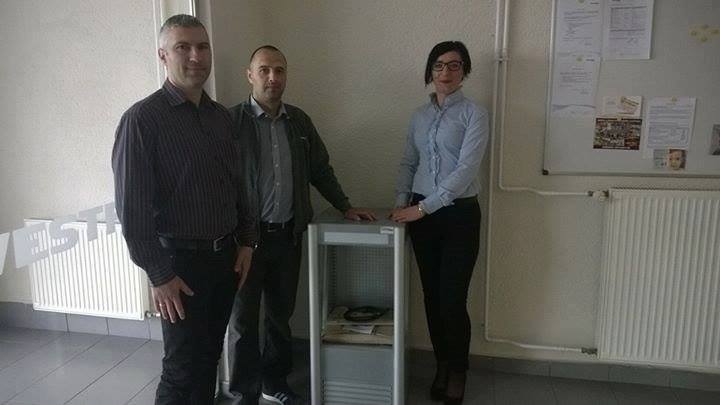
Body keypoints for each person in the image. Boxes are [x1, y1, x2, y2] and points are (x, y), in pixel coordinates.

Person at [112, 14, 256, 404]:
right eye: (183, 47)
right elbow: (133, 212)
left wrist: (247, 241)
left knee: (208, 359)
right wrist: (160, 275)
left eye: (203, 46)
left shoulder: (220, 117)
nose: (196, 56)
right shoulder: (142, 120)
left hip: (225, 260)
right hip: (179, 268)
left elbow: (237, 185)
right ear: (163, 55)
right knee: (180, 370)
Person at [227, 45, 376, 405]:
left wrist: (345, 206)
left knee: (280, 316)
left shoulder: (299, 122)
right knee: (243, 320)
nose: (272, 78)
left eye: (279, 70)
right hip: (245, 242)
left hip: (288, 237)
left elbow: (320, 169)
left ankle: (274, 381)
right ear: (250, 75)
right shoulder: (231, 122)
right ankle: (242, 393)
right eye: (264, 70)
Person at [390, 41, 489, 405]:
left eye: (454, 65)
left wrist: (424, 207)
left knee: (452, 300)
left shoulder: (475, 114)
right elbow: (409, 161)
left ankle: (458, 371)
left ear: (465, 71)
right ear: (430, 71)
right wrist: (401, 203)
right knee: (432, 298)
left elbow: (466, 169)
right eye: (439, 65)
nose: (446, 72)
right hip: (421, 215)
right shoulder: (419, 115)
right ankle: (442, 365)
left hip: (458, 215)